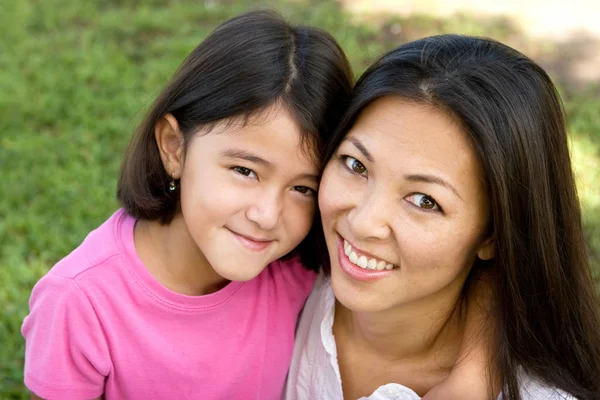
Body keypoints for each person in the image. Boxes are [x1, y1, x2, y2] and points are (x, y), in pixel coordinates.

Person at [21, 10, 353, 399]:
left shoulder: (301, 271)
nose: (266, 215)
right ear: (174, 147)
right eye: (245, 171)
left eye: (303, 189)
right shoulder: (79, 302)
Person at [285, 34, 600, 400]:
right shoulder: (282, 265)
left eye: (424, 201)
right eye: (356, 165)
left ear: (493, 235)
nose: (363, 222)